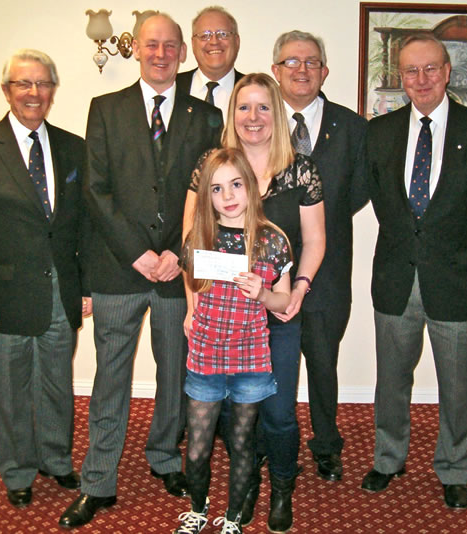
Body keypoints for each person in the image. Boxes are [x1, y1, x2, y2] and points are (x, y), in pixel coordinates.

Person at [58, 13, 223, 529]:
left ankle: (164, 460)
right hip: (117, 268)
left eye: (170, 46)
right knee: (111, 379)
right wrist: (138, 253)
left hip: (178, 270)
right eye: (151, 45)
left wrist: (177, 250)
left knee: (175, 374)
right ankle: (98, 481)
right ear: (137, 51)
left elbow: (212, 196)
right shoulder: (104, 109)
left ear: (182, 53)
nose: (160, 53)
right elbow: (96, 191)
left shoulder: (206, 116)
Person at [361, 34, 467, 509]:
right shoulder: (379, 132)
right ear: (400, 78)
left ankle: (454, 467)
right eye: (411, 71)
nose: (421, 79)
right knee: (391, 380)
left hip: (460, 284)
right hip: (394, 280)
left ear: (447, 71)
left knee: (459, 385)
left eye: (430, 69)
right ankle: (388, 459)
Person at [0, 49, 90, 509]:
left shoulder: (74, 147)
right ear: (7, 90)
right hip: (2, 295)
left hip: (60, 291)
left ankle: (56, 459)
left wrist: (85, 285)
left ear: (53, 90)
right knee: (10, 387)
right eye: (23, 84)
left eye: (42, 84)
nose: (34, 93)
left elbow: (84, 224)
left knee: (56, 383)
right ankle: (18, 469)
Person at [184, 73, 325, 533]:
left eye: (264, 107)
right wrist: (191, 307)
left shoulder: (301, 168)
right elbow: (193, 246)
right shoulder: (213, 163)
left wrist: (296, 293)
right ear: (232, 114)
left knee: (280, 413)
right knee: (229, 417)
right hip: (219, 320)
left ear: (277, 113)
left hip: (277, 311)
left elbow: (315, 240)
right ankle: (244, 492)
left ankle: (282, 487)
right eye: (244, 107)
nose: (253, 117)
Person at [174, 147, 292, 534]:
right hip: (206, 354)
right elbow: (192, 280)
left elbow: (284, 300)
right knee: (197, 447)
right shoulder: (199, 236)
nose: (227, 197)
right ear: (206, 195)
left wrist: (262, 293)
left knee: (242, 443)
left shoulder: (272, 241)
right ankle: (197, 508)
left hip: (251, 358)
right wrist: (192, 312)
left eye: (236, 185)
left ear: (252, 186)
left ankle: (235, 518)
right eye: (217, 188)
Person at [271, 30, 368, 483]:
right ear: (276, 72)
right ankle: (274, 439)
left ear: (325, 71)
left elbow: (359, 189)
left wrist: (314, 228)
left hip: (328, 268)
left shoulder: (351, 127)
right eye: (292, 62)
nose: (302, 70)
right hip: (268, 272)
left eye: (311, 62)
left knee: (323, 362)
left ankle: (327, 445)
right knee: (272, 362)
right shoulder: (259, 122)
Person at [176, 6, 243, 122]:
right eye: (205, 35)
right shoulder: (173, 87)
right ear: (193, 44)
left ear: (237, 42)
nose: (214, 41)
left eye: (223, 34)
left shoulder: (255, 90)